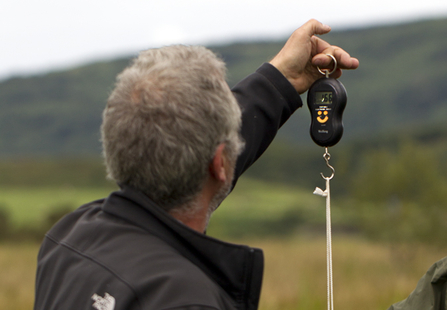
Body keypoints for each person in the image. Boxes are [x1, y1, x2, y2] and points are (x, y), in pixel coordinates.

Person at [33, 19, 359, 310]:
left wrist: (281, 80)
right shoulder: (188, 300)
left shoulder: (67, 240)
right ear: (219, 163)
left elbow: (191, 146)